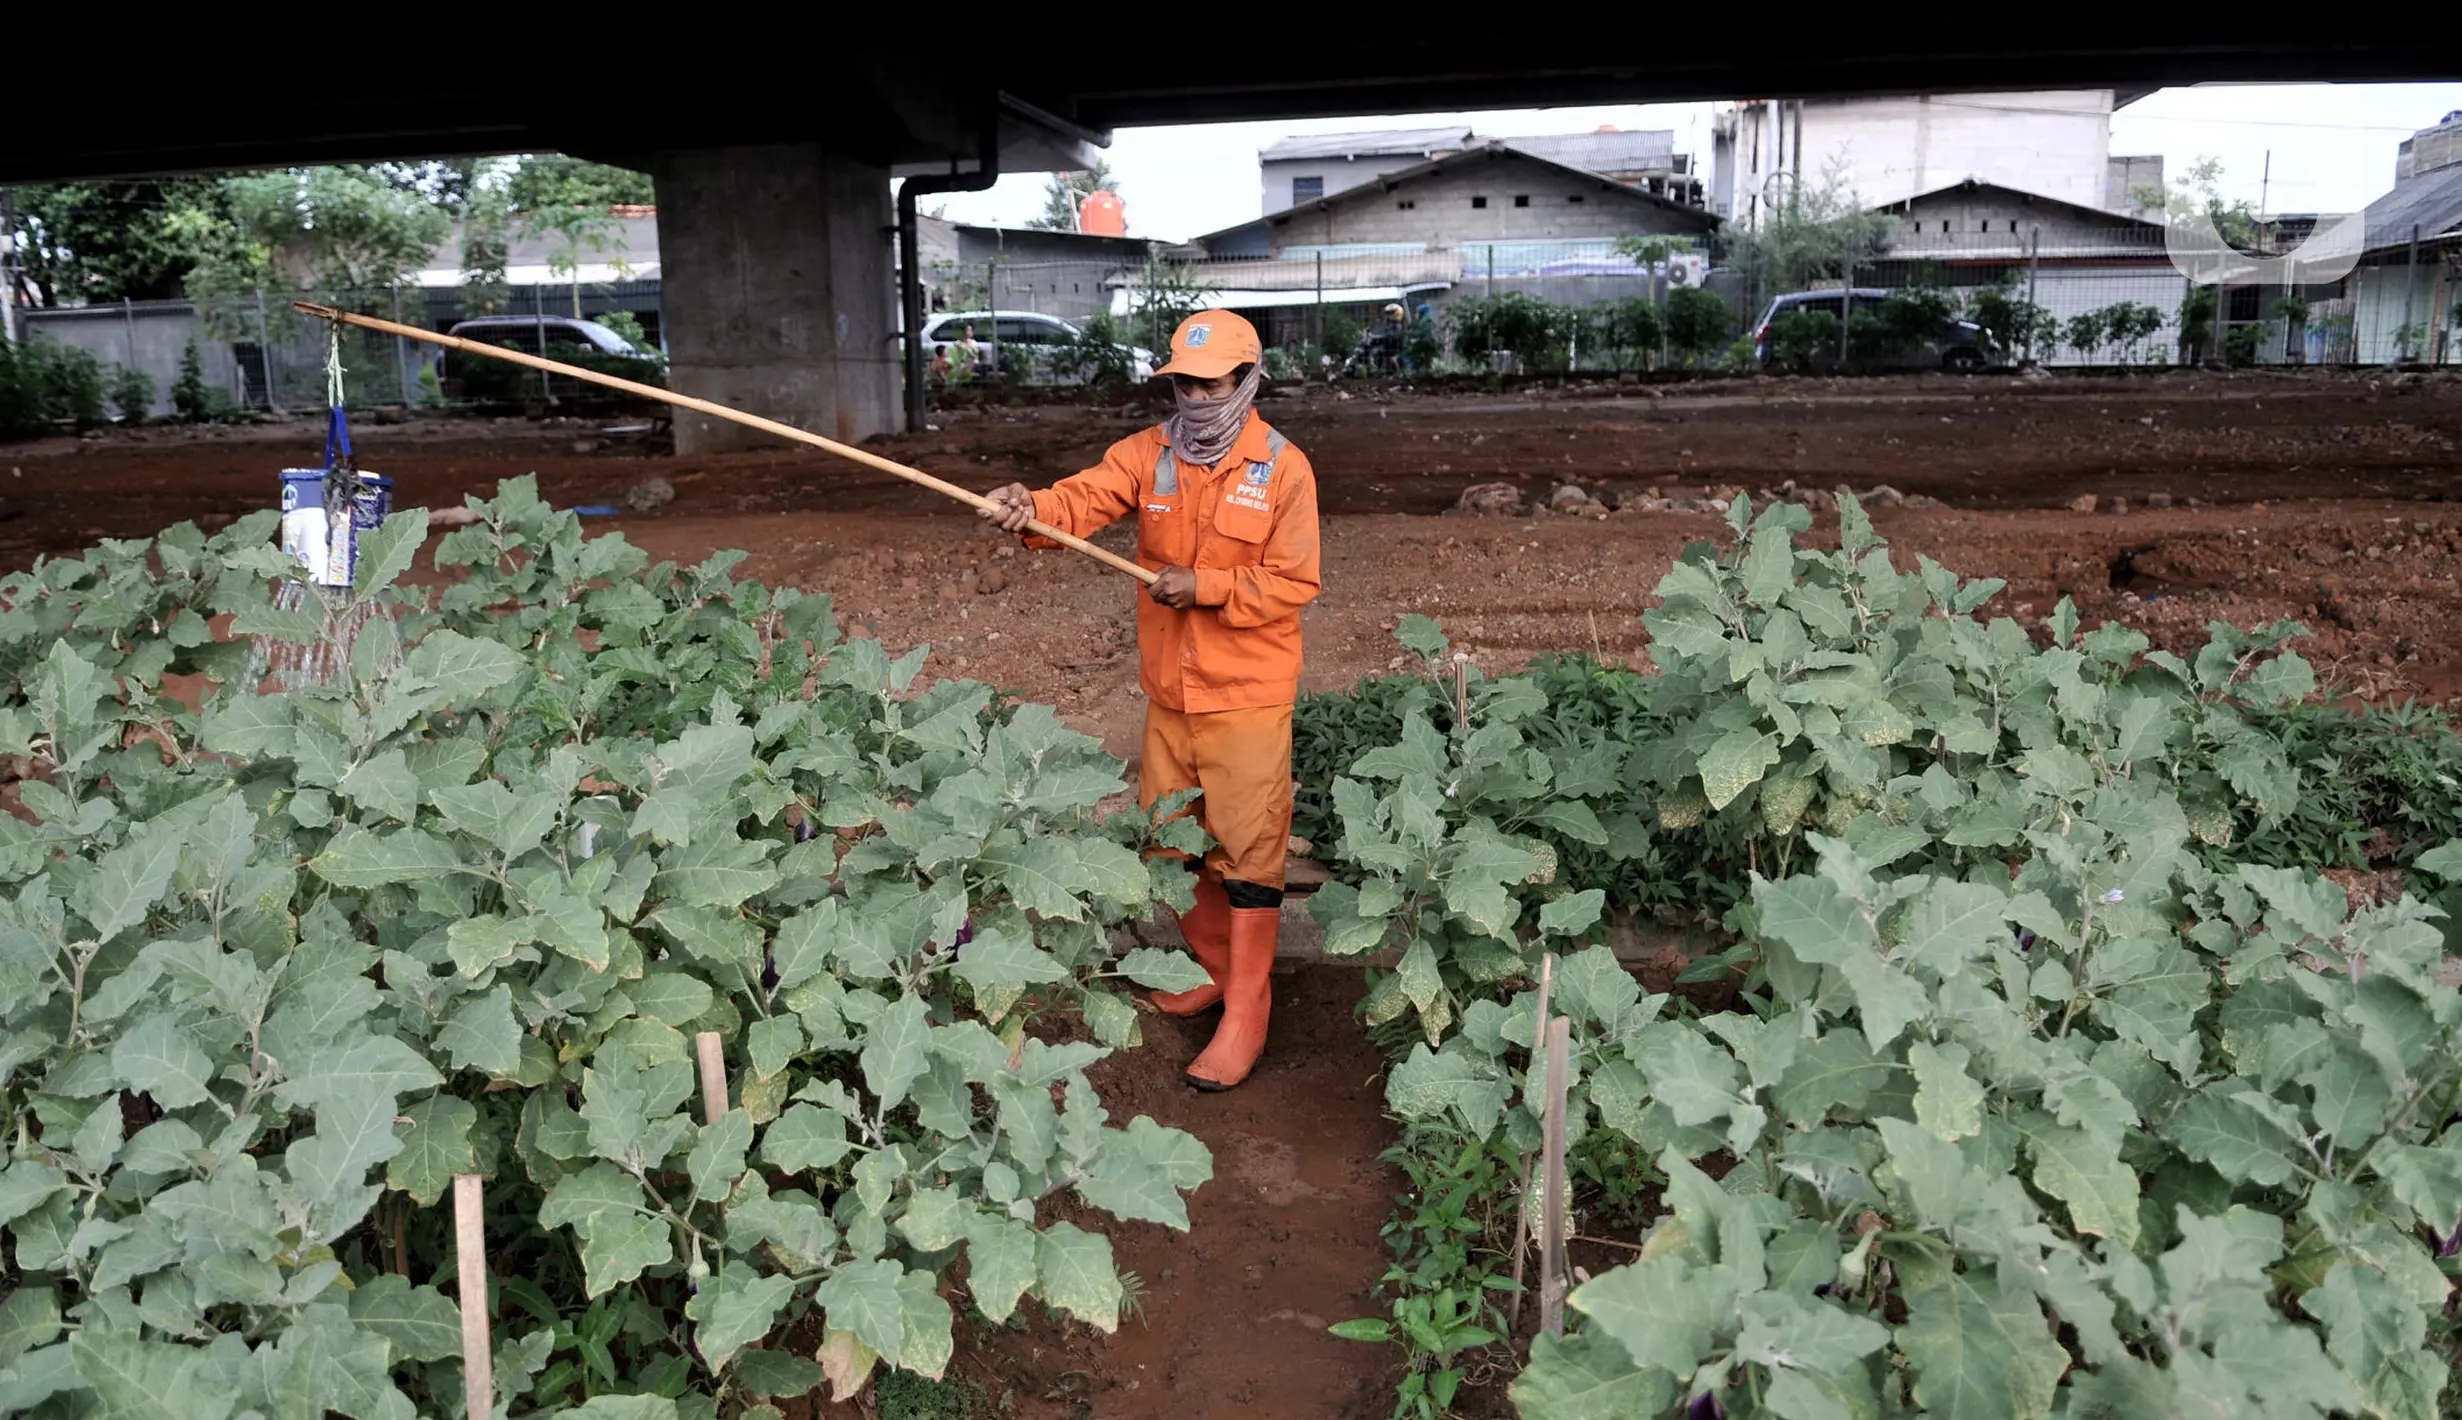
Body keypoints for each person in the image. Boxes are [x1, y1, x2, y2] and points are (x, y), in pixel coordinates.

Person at [979, 310, 1320, 1092]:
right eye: (1183, 383)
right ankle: (1220, 973)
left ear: (1247, 381)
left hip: (1247, 698)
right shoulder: (1150, 454)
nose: (1196, 396)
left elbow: (1296, 582)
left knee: (1248, 856)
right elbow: (1083, 499)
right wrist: (1029, 508)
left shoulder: (1283, 467)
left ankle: (1246, 1010)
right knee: (1168, 845)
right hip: (1172, 694)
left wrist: (1207, 586)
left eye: (1211, 383)